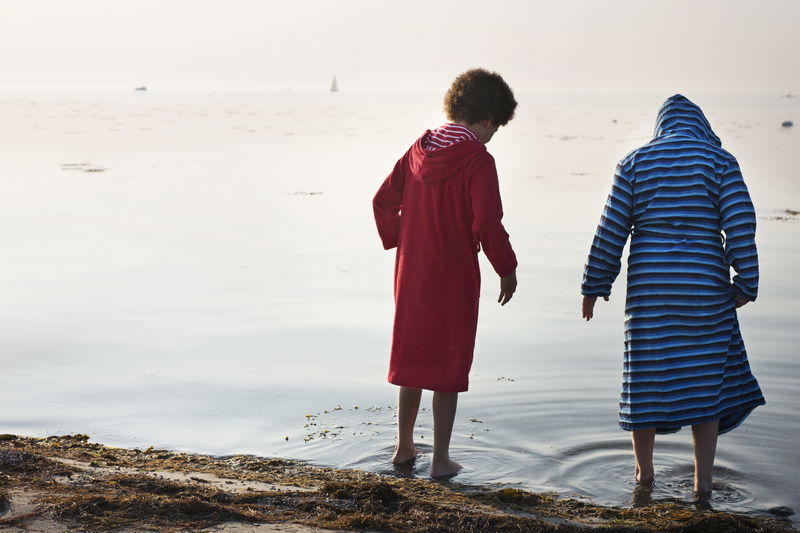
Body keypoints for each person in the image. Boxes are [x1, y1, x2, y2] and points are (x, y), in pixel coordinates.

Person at [581, 94, 765, 497]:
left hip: (650, 288)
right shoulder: (721, 162)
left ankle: (643, 474)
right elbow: (739, 223)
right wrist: (747, 282)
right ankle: (702, 483)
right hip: (705, 284)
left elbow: (610, 229)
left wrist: (595, 285)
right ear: (703, 127)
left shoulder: (634, 162)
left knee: (645, 376)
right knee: (707, 381)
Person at [373, 68, 518, 478]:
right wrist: (506, 267)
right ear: (488, 119)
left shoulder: (418, 150)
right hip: (453, 275)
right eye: (496, 128)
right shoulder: (477, 160)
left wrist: (406, 239)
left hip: (413, 273)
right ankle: (439, 459)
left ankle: (403, 446)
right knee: (449, 364)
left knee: (413, 355)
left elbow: (382, 201)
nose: (493, 137)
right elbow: (488, 222)